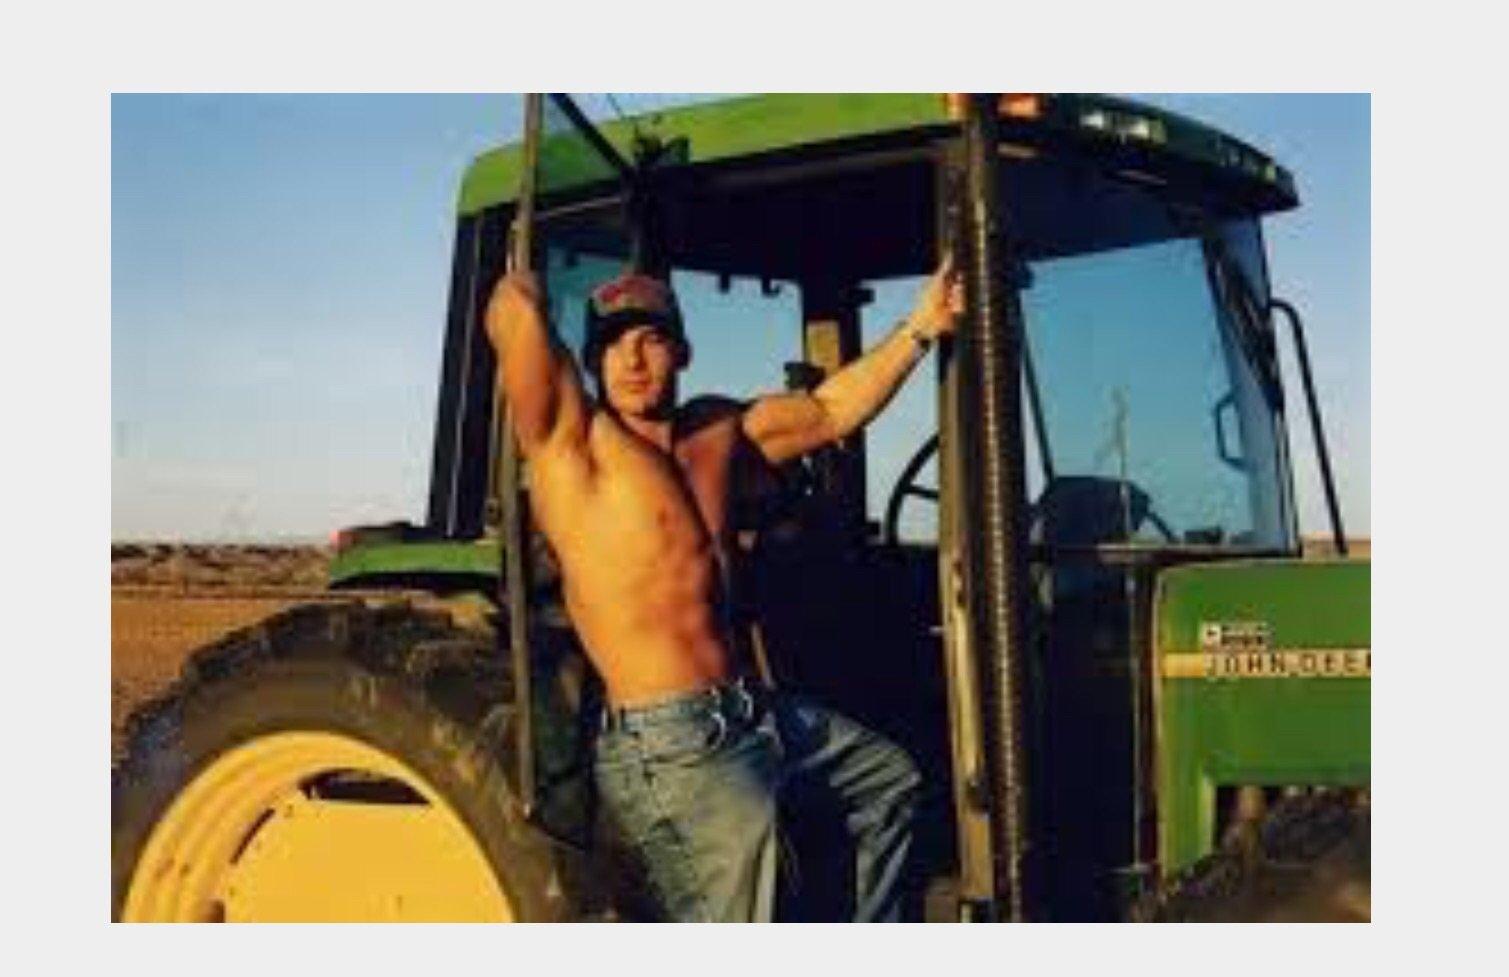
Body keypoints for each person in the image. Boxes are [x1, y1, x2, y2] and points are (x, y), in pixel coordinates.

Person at [485, 257, 961, 922]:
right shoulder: (576, 447)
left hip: (749, 710)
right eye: (613, 345)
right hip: (668, 737)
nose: (632, 359)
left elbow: (831, 410)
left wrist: (921, 326)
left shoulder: (717, 433)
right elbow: (512, 321)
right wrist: (523, 281)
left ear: (681, 351)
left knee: (889, 783)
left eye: (651, 339)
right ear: (591, 361)